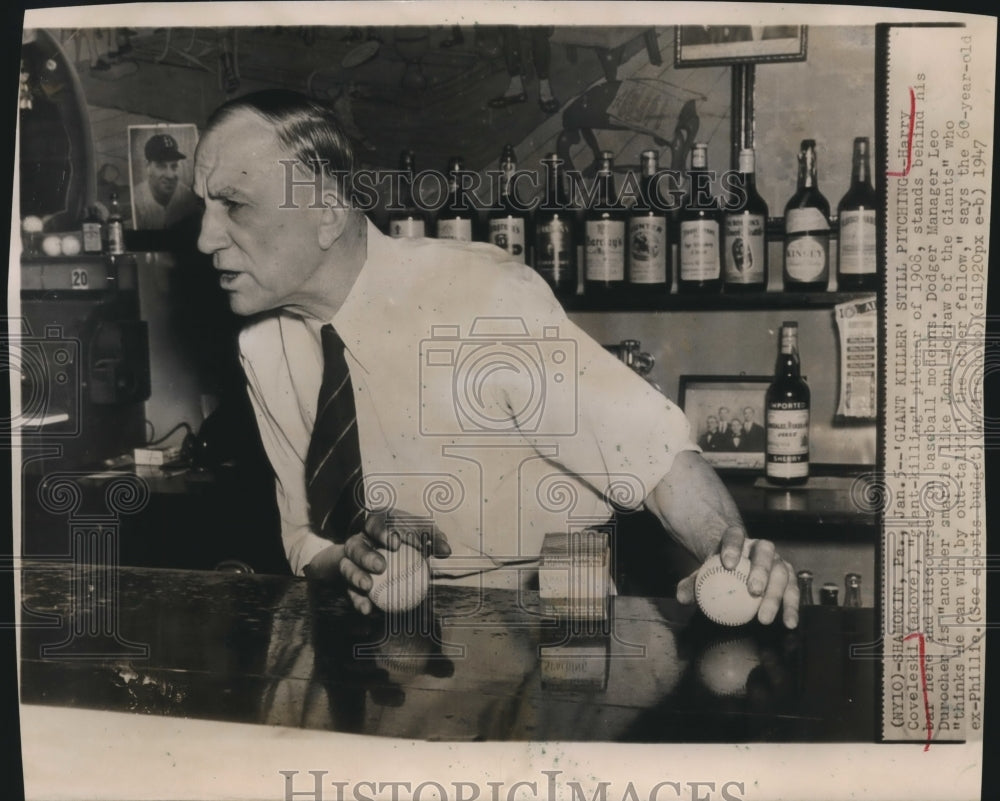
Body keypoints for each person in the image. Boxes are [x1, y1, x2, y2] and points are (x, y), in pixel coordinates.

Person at [193, 89, 797, 627]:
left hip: (557, 614)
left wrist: (731, 550)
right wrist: (352, 562)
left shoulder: (482, 298)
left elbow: (656, 458)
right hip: (392, 638)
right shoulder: (263, 343)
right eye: (204, 207)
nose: (204, 238)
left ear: (324, 211)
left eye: (234, 206)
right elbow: (303, 539)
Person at [133, 133, 201, 230]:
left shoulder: (188, 198)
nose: (170, 175)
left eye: (174, 166)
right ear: (147, 167)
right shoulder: (135, 200)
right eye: (161, 166)